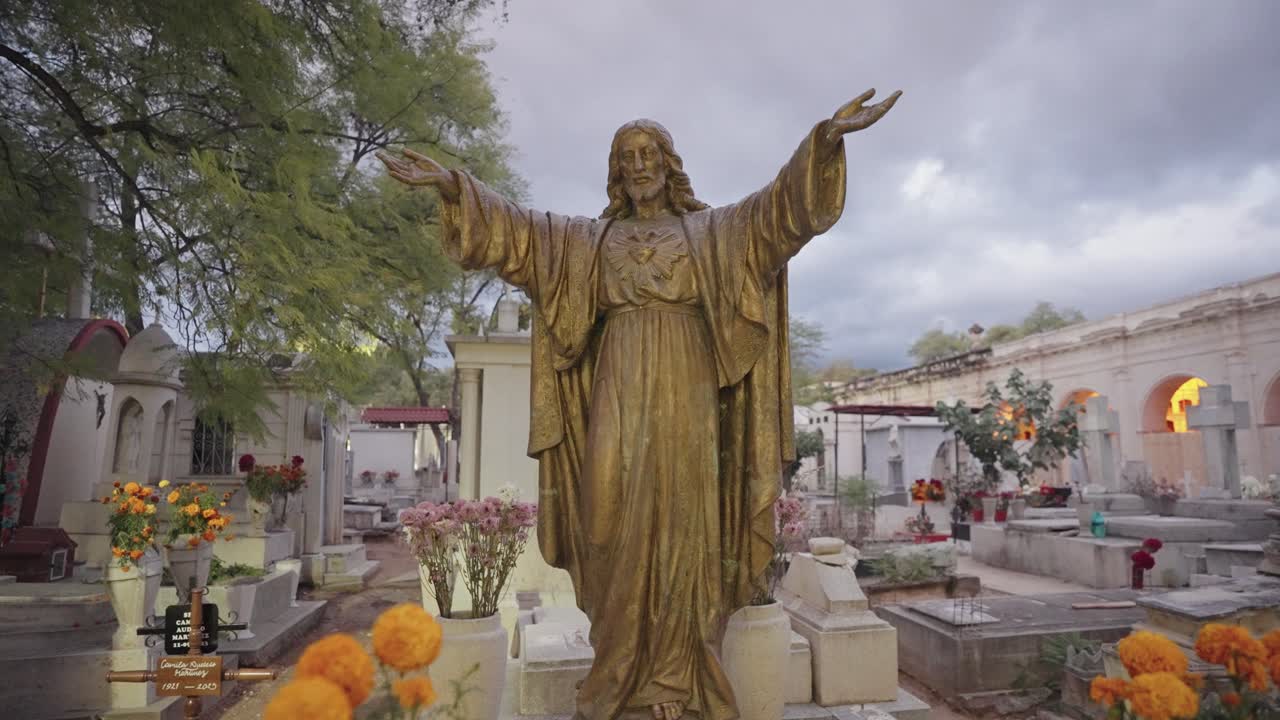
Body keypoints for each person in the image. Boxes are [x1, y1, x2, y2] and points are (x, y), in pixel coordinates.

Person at [379, 88, 900, 720]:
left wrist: (824, 141)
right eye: (626, 155)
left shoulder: (711, 232)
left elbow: (776, 215)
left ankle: (678, 685)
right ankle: (620, 671)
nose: (639, 164)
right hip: (617, 386)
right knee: (609, 517)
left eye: (649, 152)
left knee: (687, 521)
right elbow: (519, 235)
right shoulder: (585, 243)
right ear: (616, 171)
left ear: (669, 162)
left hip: (689, 389)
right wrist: (457, 187)